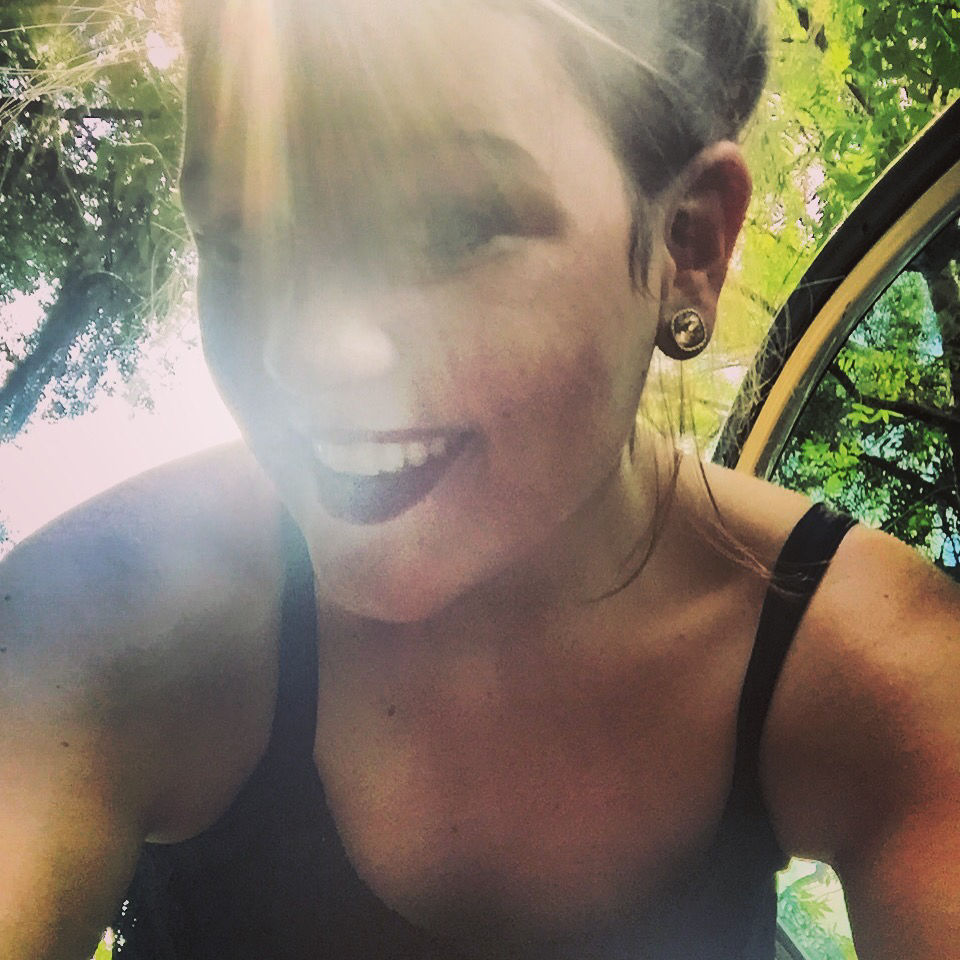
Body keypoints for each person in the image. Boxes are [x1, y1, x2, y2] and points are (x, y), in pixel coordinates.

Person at [2, 0, 959, 958]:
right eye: (241, 238)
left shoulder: (880, 665)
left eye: (450, 226)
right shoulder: (99, 620)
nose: (301, 353)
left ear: (688, 244)